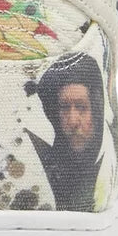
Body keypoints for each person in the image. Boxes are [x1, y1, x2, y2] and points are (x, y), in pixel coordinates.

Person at [27, 53, 105, 211]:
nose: (73, 121)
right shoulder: (38, 157)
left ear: (97, 110)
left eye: (81, 107)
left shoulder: (104, 165)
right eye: (64, 107)